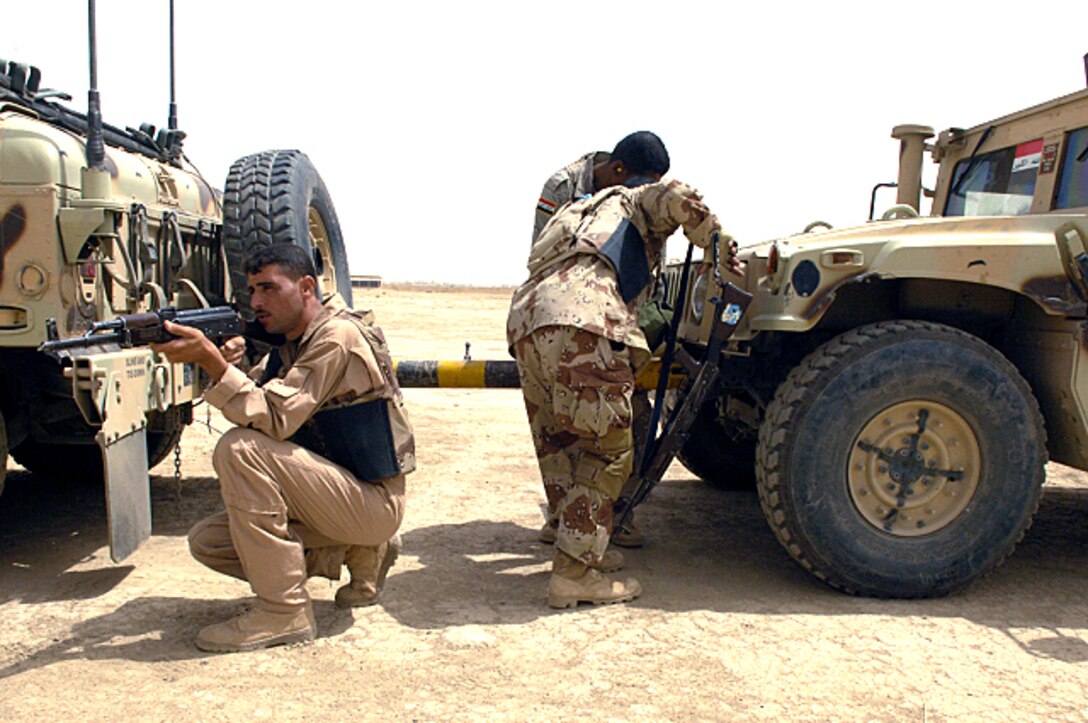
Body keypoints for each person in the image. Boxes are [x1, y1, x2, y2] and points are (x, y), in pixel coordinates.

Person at [150, 244, 415, 653]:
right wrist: (231, 367)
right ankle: (359, 552)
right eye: (253, 290)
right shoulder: (292, 343)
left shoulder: (336, 337)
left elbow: (273, 417)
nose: (256, 302)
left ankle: (283, 610)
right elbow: (259, 402)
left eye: (268, 288)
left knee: (240, 450)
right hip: (340, 497)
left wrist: (212, 365)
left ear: (307, 286)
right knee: (210, 542)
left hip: (373, 500)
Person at [509, 176, 741, 608]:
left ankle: (578, 543)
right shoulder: (632, 199)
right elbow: (677, 197)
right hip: (584, 320)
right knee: (609, 450)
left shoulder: (578, 209)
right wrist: (716, 242)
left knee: (558, 441)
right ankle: (573, 573)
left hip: (527, 321)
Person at [532, 130, 671, 550]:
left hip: (616, 314)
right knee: (562, 428)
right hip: (573, 315)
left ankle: (617, 514)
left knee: (627, 421)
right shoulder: (563, 188)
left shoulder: (639, 198)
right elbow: (544, 256)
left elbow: (649, 271)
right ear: (617, 170)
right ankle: (568, 523)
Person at [532, 130, 671, 244]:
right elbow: (540, 254)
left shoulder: (646, 196)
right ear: (618, 169)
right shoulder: (562, 188)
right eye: (637, 185)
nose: (641, 193)